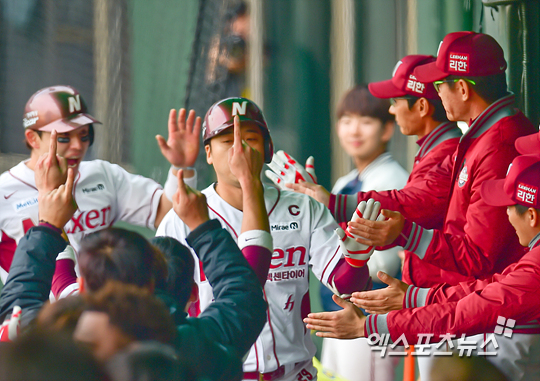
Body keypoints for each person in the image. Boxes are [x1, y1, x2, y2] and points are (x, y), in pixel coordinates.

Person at [0, 135, 270, 381]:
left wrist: (48, 223)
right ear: (150, 286)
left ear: (82, 289)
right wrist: (202, 225)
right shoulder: (199, 345)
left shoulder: (53, 350)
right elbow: (243, 295)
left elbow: (17, 300)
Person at [157, 97, 373, 380]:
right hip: (224, 372)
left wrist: (357, 260)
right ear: (208, 153)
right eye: (227, 141)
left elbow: (348, 287)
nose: (240, 148)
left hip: (295, 372)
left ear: (267, 148)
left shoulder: (302, 207)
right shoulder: (185, 216)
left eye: (249, 137)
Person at [304, 154, 540, 381]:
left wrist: (367, 326)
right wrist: (414, 297)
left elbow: (464, 312)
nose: (505, 215)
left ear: (531, 216)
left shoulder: (534, 270)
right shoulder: (531, 260)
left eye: (509, 206)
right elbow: (486, 290)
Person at [0, 85, 200, 284]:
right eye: (64, 137)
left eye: (84, 134)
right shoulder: (4, 192)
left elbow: (167, 214)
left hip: (102, 307)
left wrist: (181, 168)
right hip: (35, 311)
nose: (78, 146)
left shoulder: (102, 175)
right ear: (33, 138)